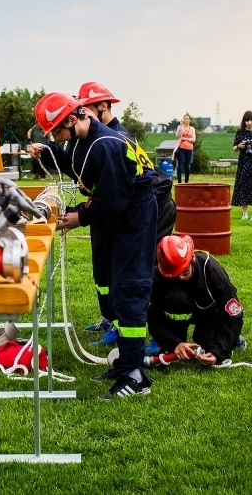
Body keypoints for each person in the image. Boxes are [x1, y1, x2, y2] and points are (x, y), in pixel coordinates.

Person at [29, 92, 158, 400]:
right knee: (114, 284)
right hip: (121, 213)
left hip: (136, 216)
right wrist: (46, 150)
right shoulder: (81, 141)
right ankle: (126, 363)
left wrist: (80, 216)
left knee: (129, 289)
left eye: (57, 132)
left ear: (73, 119)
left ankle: (135, 374)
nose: (58, 138)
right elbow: (73, 164)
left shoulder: (107, 145)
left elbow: (113, 201)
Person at [75, 82, 176, 345]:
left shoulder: (113, 137)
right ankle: (114, 321)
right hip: (135, 206)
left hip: (153, 205)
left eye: (86, 109)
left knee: (145, 275)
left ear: (103, 106)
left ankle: (160, 333)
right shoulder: (99, 136)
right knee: (113, 270)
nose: (81, 115)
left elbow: (117, 191)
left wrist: (83, 215)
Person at [146, 234, 244, 366]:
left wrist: (218, 351)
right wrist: (174, 343)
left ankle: (232, 338)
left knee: (209, 346)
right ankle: (179, 338)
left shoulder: (211, 269)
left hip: (209, 313)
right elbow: (153, 318)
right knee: (175, 298)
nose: (180, 277)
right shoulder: (159, 277)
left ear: (192, 258)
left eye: (184, 271)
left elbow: (233, 313)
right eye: (175, 274)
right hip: (179, 310)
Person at [231, 111, 252, 221]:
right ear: (244, 121)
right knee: (243, 186)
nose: (249, 123)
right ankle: (244, 213)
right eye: (247, 120)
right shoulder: (240, 132)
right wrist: (239, 146)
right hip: (243, 161)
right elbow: (234, 148)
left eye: (251, 120)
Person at [171, 113, 196, 183]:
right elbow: (177, 135)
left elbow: (193, 139)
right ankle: (179, 182)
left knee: (188, 166)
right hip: (182, 147)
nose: (186, 120)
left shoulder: (192, 129)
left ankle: (186, 182)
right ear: (183, 119)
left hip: (189, 148)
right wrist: (180, 126)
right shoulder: (180, 127)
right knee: (180, 165)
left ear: (189, 120)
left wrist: (186, 139)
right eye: (184, 119)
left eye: (187, 119)